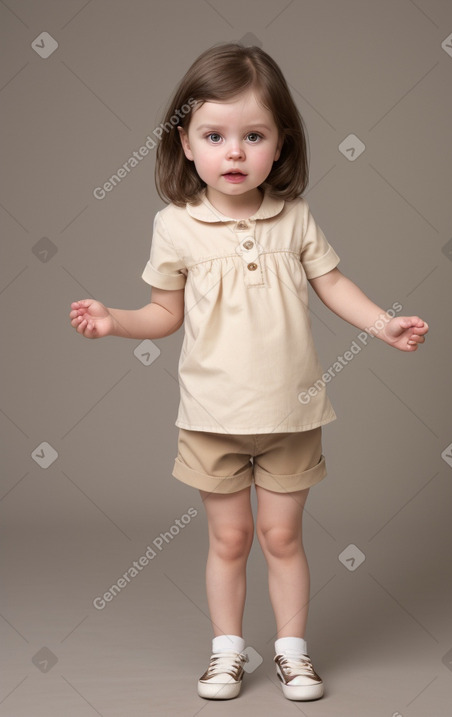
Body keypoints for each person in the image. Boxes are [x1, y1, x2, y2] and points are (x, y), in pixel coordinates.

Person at [69, 42, 428, 702]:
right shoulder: (176, 226)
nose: (234, 153)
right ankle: (227, 651)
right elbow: (161, 313)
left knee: (282, 535)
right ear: (186, 144)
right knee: (230, 538)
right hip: (211, 419)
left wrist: (384, 324)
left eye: (253, 135)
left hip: (293, 414)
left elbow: (334, 283)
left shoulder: (294, 219)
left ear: (280, 145)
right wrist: (115, 320)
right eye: (215, 135)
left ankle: (292, 651)